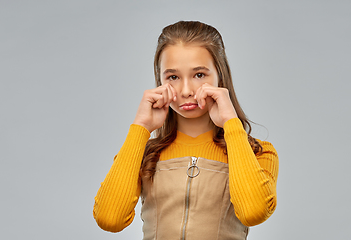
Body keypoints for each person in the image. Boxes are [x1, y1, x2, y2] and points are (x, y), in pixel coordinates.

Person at [93, 21, 279, 240]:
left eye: (199, 74)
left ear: (220, 75)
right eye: (173, 77)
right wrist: (140, 128)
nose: (186, 90)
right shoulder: (143, 154)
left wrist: (230, 122)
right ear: (160, 81)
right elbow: (110, 219)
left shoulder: (258, 152)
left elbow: (253, 212)